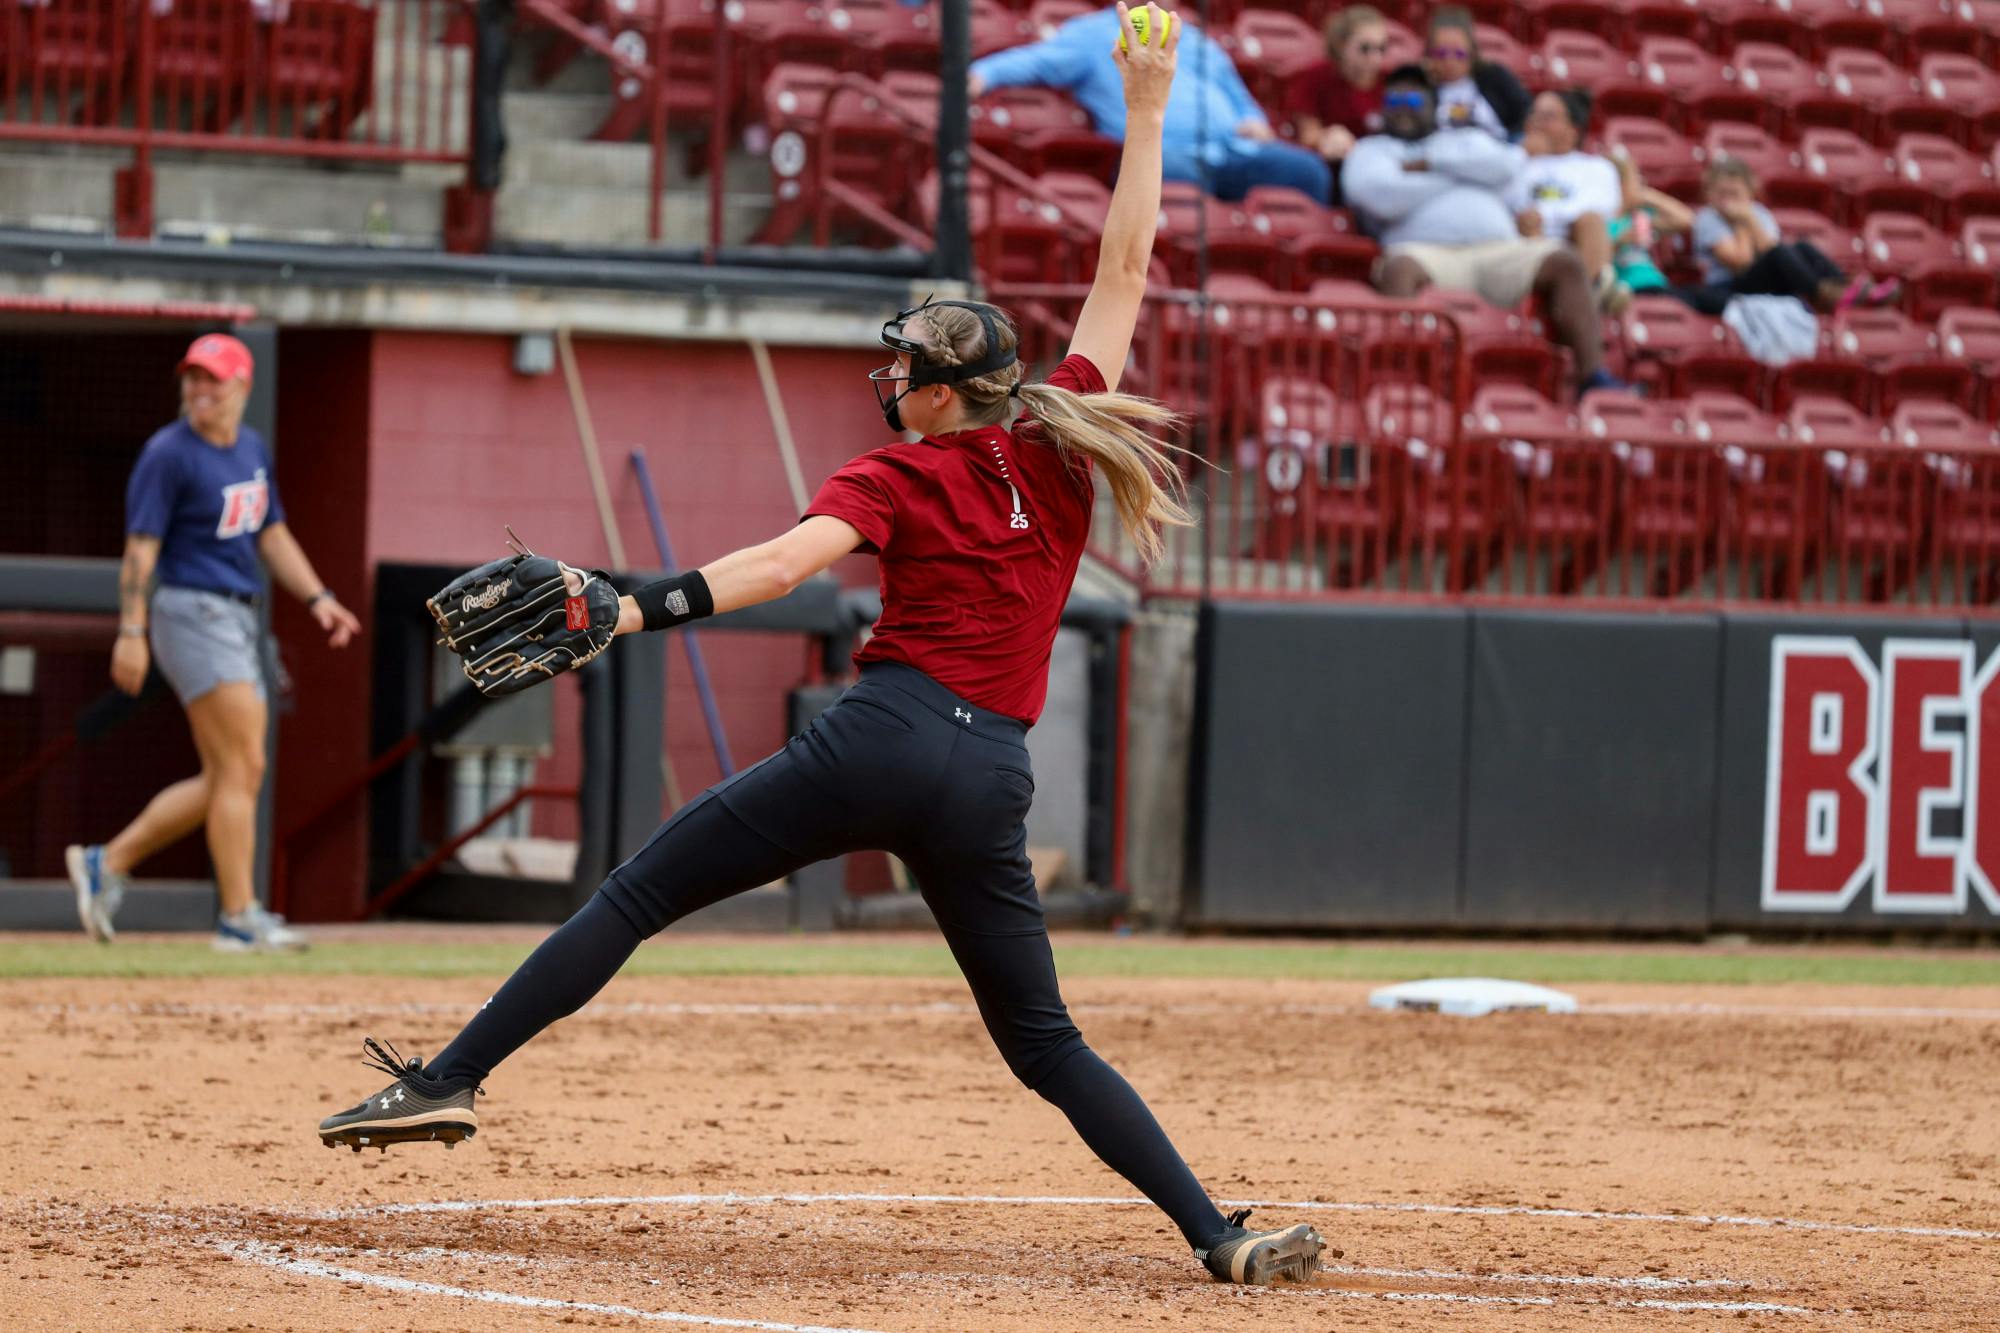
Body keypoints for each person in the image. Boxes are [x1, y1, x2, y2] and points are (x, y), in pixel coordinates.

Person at [317, 4, 1325, 1290]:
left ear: (944, 393)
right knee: (1043, 1039)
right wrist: (1143, 106)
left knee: (633, 896)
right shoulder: (1062, 443)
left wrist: (631, 608)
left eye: (902, 365)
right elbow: (1122, 268)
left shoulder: (897, 472)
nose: (886, 377)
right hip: (989, 775)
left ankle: (446, 1078)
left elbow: (784, 566)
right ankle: (1215, 1232)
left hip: (882, 737)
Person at [64, 333, 361, 952]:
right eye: (192, 379)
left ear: (242, 387)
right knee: (243, 766)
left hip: (238, 615)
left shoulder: (250, 448)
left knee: (230, 772)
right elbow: (140, 550)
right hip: (192, 610)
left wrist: (318, 598)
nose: (199, 391)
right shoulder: (167, 454)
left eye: (212, 380)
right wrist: (130, 630)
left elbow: (270, 533)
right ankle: (237, 916)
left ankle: (108, 862)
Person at [1345, 65, 1631, 396]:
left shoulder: (1464, 138)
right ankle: (1405, 384)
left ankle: (1593, 378)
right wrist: (1461, 174)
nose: (1404, 106)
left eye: (1413, 97)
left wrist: (1430, 167)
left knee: (1564, 261)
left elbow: (1506, 164)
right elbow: (1382, 196)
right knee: (1397, 270)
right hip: (1426, 252)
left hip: (1498, 249)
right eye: (1394, 99)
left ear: (1434, 102)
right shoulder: (1371, 150)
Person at [968, 4, 1331, 203]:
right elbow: (1039, 60)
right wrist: (982, 74)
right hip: (1161, 152)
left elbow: (1238, 96)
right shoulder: (1096, 33)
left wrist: (1253, 119)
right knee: (1178, 183)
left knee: (1308, 171)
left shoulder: (1197, 38)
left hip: (1233, 150)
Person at [1673, 158, 1898, 317]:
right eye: (1722, 194)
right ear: (1709, 193)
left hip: (1765, 283)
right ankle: (1822, 295)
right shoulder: (1707, 218)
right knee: (1781, 252)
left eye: (1735, 194)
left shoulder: (1758, 213)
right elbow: (1739, 261)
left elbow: (1769, 248)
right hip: (1729, 288)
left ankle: (1846, 287)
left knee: (1802, 247)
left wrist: (1748, 219)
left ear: (1749, 193)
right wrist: (1741, 222)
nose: (1728, 201)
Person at [1506, 89, 1629, 312]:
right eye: (1533, 115)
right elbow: (1502, 204)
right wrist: (1520, 156)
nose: (1537, 123)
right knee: (1525, 221)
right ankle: (1590, 301)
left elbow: (1600, 208)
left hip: (1575, 242)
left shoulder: (1597, 167)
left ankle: (1585, 302)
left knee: (1591, 222)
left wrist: (1545, 215)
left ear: (1573, 129)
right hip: (1526, 239)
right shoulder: (1513, 160)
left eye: (1548, 117)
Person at [1283, 4, 1390, 201]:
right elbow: (1308, 135)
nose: (1375, 58)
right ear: (1341, 45)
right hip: (1335, 170)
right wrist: (1328, 137)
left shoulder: (1390, 82)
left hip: (1379, 170)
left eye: (1381, 49)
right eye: (1365, 48)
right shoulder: (1315, 78)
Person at [1423, 6, 1528, 141]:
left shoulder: (1494, 77)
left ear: (1472, 51)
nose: (1449, 61)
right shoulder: (1421, 85)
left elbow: (1526, 114)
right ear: (1429, 54)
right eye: (1441, 54)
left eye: (1459, 53)